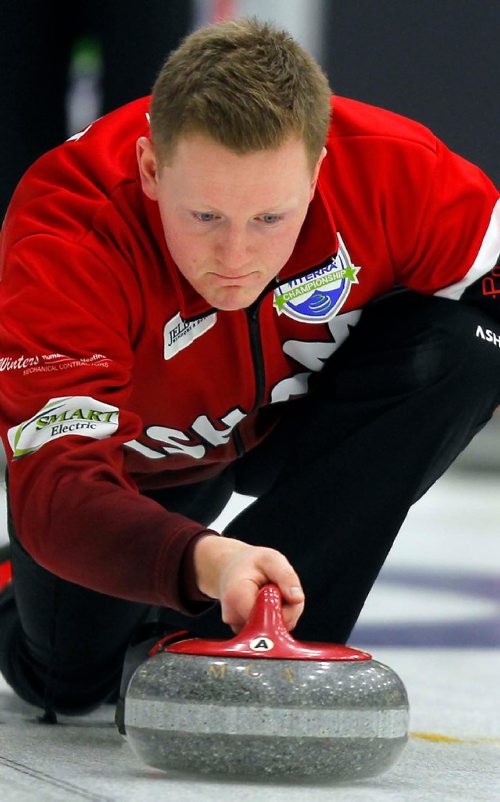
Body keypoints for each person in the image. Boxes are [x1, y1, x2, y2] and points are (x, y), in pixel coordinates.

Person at [0, 18, 499, 724]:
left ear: (319, 169)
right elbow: (57, 485)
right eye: (204, 214)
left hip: (289, 419)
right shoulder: (69, 226)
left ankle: (246, 641)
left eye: (271, 217)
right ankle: (15, 588)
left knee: (472, 348)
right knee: (67, 682)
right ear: (150, 169)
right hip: (143, 465)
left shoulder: (389, 169)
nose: (235, 257)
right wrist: (205, 558)